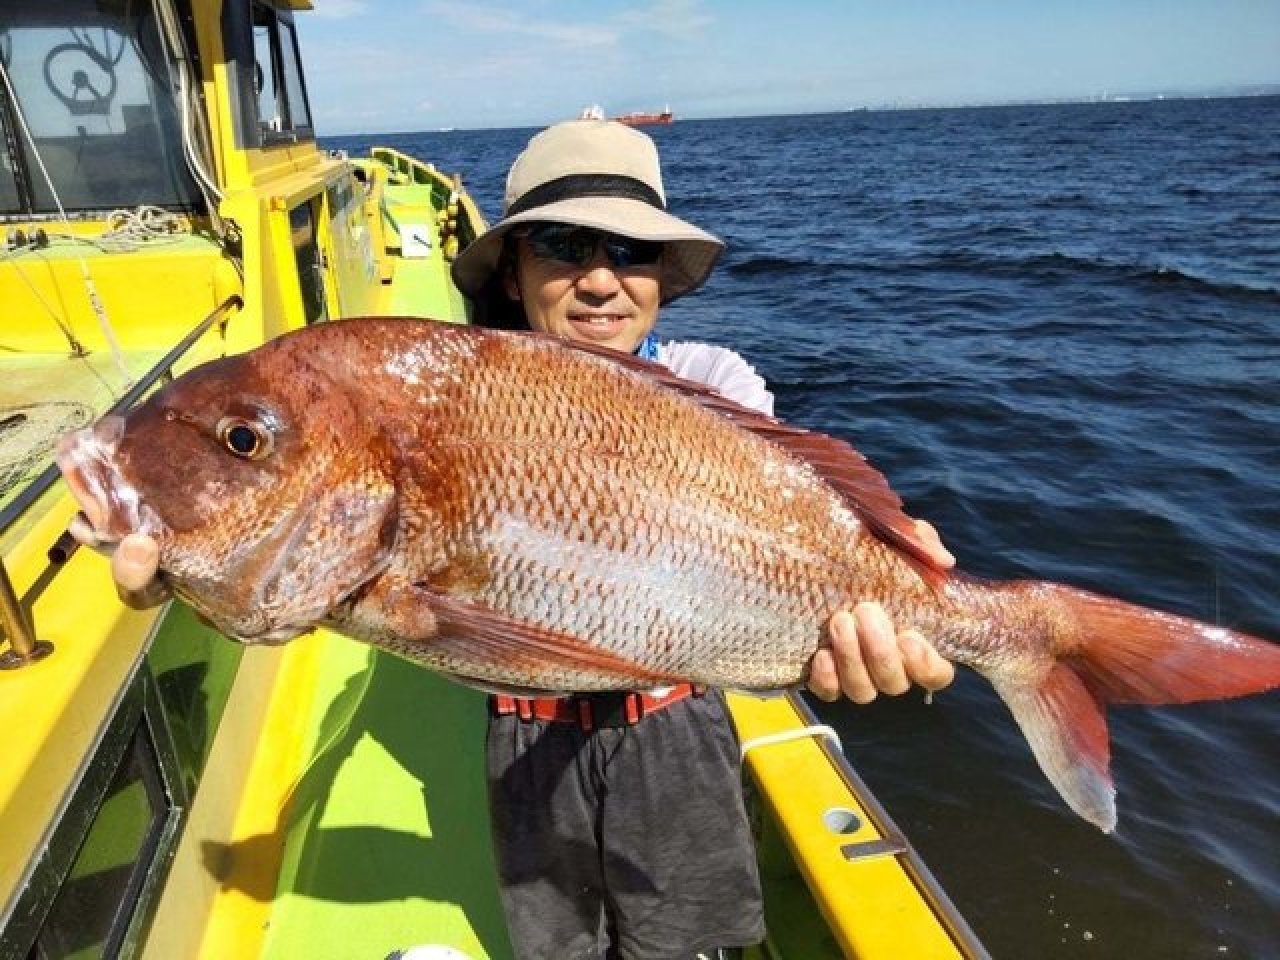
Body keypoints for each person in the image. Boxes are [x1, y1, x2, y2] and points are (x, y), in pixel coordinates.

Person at [95, 121, 956, 960]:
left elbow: (799, 526)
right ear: (512, 266)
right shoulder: (471, 388)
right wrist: (199, 571)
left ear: (661, 276)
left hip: (677, 728)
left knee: (684, 939)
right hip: (523, 729)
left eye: (631, 252)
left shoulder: (714, 383)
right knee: (556, 939)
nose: (600, 281)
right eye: (561, 244)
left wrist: (899, 570)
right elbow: (306, 588)